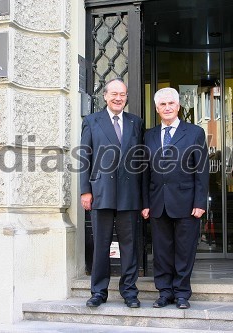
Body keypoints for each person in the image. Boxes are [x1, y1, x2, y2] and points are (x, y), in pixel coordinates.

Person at [141, 87, 209, 309]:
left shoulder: (194, 133)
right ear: (157, 108)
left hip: (186, 203)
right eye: (163, 104)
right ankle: (164, 292)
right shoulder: (149, 135)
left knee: (184, 250)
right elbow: (144, 173)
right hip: (157, 203)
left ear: (178, 106)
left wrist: (200, 202)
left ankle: (181, 294)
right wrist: (145, 203)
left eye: (171, 103)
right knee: (161, 252)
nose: (167, 108)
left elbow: (202, 170)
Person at [80, 78, 143, 308]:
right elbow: (84, 158)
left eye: (123, 94)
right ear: (105, 96)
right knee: (101, 245)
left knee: (129, 246)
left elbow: (140, 160)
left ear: (126, 98)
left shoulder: (136, 122)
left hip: (129, 194)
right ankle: (98, 291)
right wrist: (85, 190)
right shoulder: (92, 121)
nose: (118, 98)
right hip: (100, 193)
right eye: (114, 94)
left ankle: (129, 292)